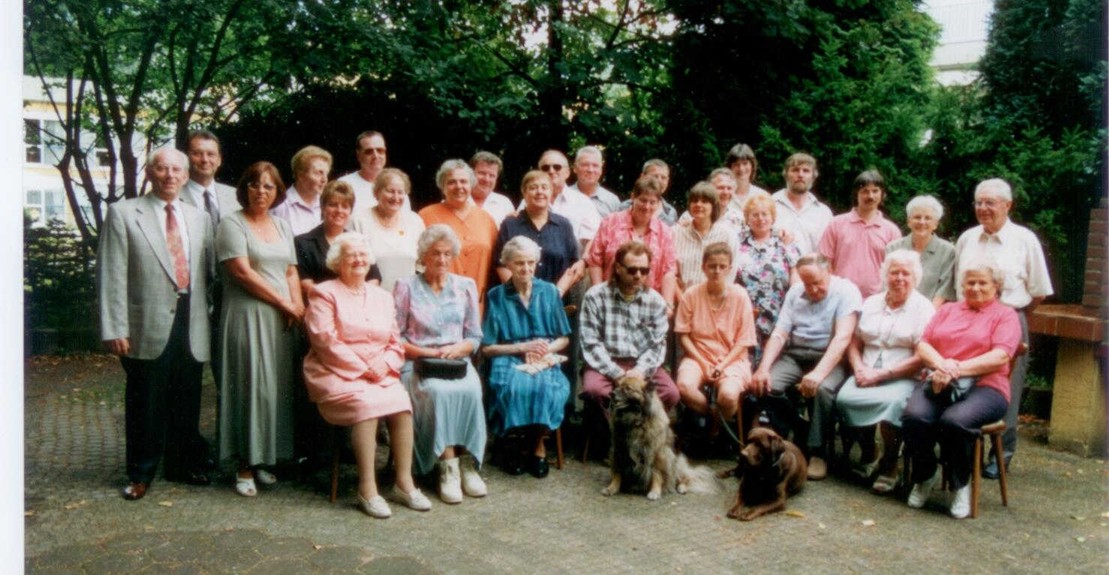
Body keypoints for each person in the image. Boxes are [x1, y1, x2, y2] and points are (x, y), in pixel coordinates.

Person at [98, 148, 214, 501]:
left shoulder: (199, 217)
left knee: (186, 399)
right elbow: (111, 274)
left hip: (191, 321)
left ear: (185, 174)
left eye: (176, 169)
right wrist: (115, 327)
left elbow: (208, 274)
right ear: (150, 173)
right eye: (162, 168)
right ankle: (140, 473)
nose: (169, 175)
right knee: (145, 401)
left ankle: (180, 465)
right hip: (144, 323)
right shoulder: (123, 213)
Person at [301, 233, 431, 518]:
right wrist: (363, 368)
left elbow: (395, 342)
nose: (359, 260)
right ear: (338, 262)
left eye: (363, 255)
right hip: (334, 371)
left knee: (401, 403)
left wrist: (385, 364)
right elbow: (324, 341)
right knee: (367, 406)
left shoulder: (382, 296)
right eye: (351, 256)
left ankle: (404, 483)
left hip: (379, 371)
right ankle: (367, 489)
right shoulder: (324, 293)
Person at [902, 258, 1021, 519]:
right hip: (939, 379)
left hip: (987, 387)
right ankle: (926, 475)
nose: (975, 287)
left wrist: (956, 369)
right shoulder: (947, 310)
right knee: (914, 417)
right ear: (962, 285)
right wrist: (942, 366)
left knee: (955, 421)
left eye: (982, 283)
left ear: (996, 286)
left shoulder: (1006, 315)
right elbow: (923, 345)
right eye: (970, 282)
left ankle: (960, 484)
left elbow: (1001, 356)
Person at [954, 178, 1052, 479]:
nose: (983, 208)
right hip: (967, 321)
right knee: (963, 383)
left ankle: (1001, 455)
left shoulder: (1024, 240)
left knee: (1007, 388)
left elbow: (1039, 290)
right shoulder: (967, 238)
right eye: (978, 202)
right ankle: (961, 449)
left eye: (990, 203)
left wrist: (1014, 318)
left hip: (1009, 319)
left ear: (1007, 205)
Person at [216, 161, 305, 497]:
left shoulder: (282, 226)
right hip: (247, 316)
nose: (261, 192)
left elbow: (291, 272)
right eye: (255, 184)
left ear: (277, 191)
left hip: (281, 320)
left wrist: (297, 307)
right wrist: (285, 305)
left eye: (268, 186)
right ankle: (243, 465)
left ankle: (264, 458)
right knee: (249, 387)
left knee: (273, 390)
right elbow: (241, 273)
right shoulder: (232, 224)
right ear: (245, 188)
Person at [394, 225, 487, 504]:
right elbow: (394, 336)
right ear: (424, 255)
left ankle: (468, 462)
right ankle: (447, 466)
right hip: (419, 363)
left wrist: (461, 348)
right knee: (437, 392)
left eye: (448, 254)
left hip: (456, 362)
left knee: (471, 390)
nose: (443, 260)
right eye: (436, 253)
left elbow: (475, 335)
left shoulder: (465, 286)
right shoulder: (406, 286)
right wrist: (424, 352)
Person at [752, 253, 861, 480]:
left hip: (829, 356)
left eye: (817, 283)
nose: (811, 289)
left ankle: (817, 451)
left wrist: (818, 374)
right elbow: (780, 333)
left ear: (828, 271)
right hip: (796, 354)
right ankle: (799, 430)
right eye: (806, 283)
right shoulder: (795, 292)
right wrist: (763, 368)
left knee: (821, 390)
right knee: (765, 385)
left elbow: (842, 338)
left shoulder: (847, 291)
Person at [835, 250, 935, 493]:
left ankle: (891, 462)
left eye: (905, 273)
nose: (899, 278)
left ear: (915, 277)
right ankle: (870, 452)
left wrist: (881, 374)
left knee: (892, 405)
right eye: (894, 272)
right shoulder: (871, 303)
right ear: (885, 275)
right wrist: (859, 368)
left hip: (903, 375)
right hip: (865, 370)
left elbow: (922, 355)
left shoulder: (924, 308)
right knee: (845, 399)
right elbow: (854, 342)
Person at [482, 236, 573, 478]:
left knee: (546, 387)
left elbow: (564, 338)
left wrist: (545, 350)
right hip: (509, 356)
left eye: (531, 263)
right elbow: (488, 348)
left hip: (544, 355)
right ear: (508, 265)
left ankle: (536, 445)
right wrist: (523, 347)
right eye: (519, 263)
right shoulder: (496, 296)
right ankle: (512, 444)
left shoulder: (550, 292)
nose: (526, 269)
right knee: (513, 387)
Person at [580, 241, 679, 410]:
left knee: (670, 394)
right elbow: (591, 344)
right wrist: (616, 373)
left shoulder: (656, 301)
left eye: (644, 270)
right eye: (632, 270)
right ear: (618, 268)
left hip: (641, 365)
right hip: (605, 363)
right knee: (594, 391)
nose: (638, 275)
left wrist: (639, 372)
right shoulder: (595, 296)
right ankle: (609, 434)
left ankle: (642, 433)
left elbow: (657, 346)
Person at [674, 242, 757, 421]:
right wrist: (703, 362)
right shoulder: (691, 294)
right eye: (712, 266)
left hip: (732, 358)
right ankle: (712, 416)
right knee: (684, 387)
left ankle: (717, 430)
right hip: (698, 356)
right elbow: (683, 334)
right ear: (703, 268)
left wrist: (722, 365)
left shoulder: (740, 296)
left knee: (727, 395)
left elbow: (744, 341)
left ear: (729, 269)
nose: (717, 271)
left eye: (722, 266)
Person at [586, 175, 678, 312]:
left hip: (648, 305)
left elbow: (668, 271)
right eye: (643, 200)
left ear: (658, 203)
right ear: (633, 197)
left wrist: (668, 303)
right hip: (610, 300)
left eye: (652, 202)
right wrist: (598, 295)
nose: (647, 206)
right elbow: (595, 261)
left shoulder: (664, 231)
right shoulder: (610, 222)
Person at [418, 159, 498, 310]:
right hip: (436, 302)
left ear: (471, 185)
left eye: (463, 181)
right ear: (442, 186)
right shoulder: (425, 216)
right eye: (452, 182)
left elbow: (497, 262)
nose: (459, 187)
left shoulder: (486, 219)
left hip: (478, 303)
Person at [734, 194, 801, 362]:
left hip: (778, 313)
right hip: (746, 314)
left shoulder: (785, 242)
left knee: (773, 364)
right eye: (755, 215)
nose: (760, 219)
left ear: (773, 217)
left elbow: (796, 274)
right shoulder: (737, 242)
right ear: (747, 219)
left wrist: (794, 303)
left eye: (765, 214)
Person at [494, 170, 584, 294]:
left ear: (551, 192)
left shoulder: (564, 225)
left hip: (557, 301)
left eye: (544, 187)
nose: (539, 192)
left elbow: (573, 266)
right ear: (524, 193)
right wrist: (522, 294)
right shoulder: (510, 224)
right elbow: (501, 264)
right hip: (518, 301)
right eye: (533, 188)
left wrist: (556, 294)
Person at [818, 170, 902, 298]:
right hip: (840, 296)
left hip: (878, 299)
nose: (870, 196)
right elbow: (824, 261)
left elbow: (896, 267)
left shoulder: (891, 230)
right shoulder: (836, 224)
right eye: (865, 191)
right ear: (856, 194)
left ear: (882, 194)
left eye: (875, 191)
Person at [295, 181, 381, 299]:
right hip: (321, 304)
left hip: (357, 306)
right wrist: (335, 300)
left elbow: (374, 277)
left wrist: (358, 298)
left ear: (350, 211)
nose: (339, 210)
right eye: (333, 205)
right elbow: (304, 281)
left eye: (345, 206)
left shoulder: (358, 240)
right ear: (323, 207)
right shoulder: (303, 243)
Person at [350, 168, 425, 291]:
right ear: (377, 193)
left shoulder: (414, 221)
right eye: (390, 191)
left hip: (409, 299)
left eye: (401, 192)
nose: (396, 197)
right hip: (371, 297)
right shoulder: (359, 220)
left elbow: (423, 263)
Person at [885, 195, 957, 308]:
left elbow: (944, 290)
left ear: (935, 224)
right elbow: (887, 285)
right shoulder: (893, 248)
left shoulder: (948, 251)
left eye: (928, 218)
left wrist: (927, 316)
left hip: (932, 314)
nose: (922, 222)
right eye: (917, 217)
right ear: (909, 221)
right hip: (897, 310)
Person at [672, 182, 741, 292]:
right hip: (681, 299)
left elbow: (729, 276)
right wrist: (682, 301)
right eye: (695, 201)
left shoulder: (728, 236)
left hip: (715, 301)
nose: (698, 204)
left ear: (713, 206)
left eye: (704, 201)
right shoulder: (675, 233)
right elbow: (670, 273)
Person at [533, 149, 602, 248]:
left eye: (557, 167)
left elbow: (592, 241)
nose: (551, 171)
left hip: (573, 262)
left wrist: (582, 263)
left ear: (567, 172)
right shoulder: (529, 200)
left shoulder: (583, 203)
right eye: (545, 168)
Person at [771, 153, 833, 255]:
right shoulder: (769, 206)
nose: (800, 175)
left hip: (813, 269)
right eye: (795, 170)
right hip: (775, 270)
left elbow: (828, 252)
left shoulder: (824, 213)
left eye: (806, 171)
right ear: (786, 174)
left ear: (813, 177)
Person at [338, 131, 411, 211]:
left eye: (380, 150)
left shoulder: (398, 185)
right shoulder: (344, 184)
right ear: (358, 155)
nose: (376, 156)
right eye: (369, 151)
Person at [271, 145, 333, 235]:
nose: (324, 179)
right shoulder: (281, 206)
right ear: (300, 175)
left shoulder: (327, 204)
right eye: (318, 173)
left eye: (326, 174)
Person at [182, 130, 238, 228]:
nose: (205, 160)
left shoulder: (235, 196)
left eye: (211, 154)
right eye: (197, 153)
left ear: (219, 160)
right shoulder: (172, 196)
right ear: (186, 158)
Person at [619, 159, 680, 225]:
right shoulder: (623, 207)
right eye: (655, 176)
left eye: (663, 177)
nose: (659, 181)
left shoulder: (671, 213)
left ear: (668, 181)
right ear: (642, 176)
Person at [567, 145, 621, 218]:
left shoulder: (612, 201)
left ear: (601, 170)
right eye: (585, 165)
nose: (590, 170)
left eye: (595, 165)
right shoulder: (564, 197)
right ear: (575, 168)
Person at [470, 151, 516, 227]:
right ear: (471, 173)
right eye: (482, 173)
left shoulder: (504, 204)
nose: (486, 179)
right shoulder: (457, 200)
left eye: (492, 175)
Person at [725, 143, 769, 212]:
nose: (741, 168)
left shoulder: (762, 195)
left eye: (745, 163)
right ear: (730, 168)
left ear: (752, 165)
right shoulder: (723, 195)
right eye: (736, 164)